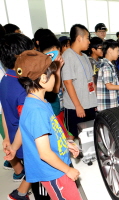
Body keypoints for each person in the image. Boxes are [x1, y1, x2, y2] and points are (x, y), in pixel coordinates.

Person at [5, 50, 81, 200]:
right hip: (54, 173)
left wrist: (64, 143)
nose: (55, 77)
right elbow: (45, 153)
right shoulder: (36, 110)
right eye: (53, 74)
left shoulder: (35, 101)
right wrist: (68, 170)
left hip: (56, 167)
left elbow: (27, 129)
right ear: (44, 78)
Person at [0, 33, 45, 200]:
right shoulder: (23, 87)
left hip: (15, 138)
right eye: (31, 52)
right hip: (29, 140)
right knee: (41, 174)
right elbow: (28, 123)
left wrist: (6, 137)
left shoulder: (5, 79)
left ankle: (19, 193)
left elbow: (5, 110)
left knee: (33, 168)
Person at [61, 24, 97, 139]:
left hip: (88, 104)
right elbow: (67, 82)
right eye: (87, 38)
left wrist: (93, 101)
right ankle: (67, 156)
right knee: (73, 136)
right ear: (79, 38)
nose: (89, 42)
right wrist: (78, 106)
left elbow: (90, 80)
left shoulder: (85, 57)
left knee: (88, 136)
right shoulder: (68, 56)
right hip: (75, 107)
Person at [97, 39, 119, 111]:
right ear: (110, 50)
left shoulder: (111, 65)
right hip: (108, 106)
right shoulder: (106, 66)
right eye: (117, 50)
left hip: (113, 104)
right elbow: (109, 86)